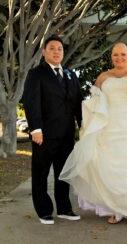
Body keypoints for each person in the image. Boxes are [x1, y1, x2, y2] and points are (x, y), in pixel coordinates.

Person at [60, 42, 127, 226]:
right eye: (116, 55)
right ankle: (116, 210)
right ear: (111, 57)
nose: (119, 58)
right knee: (111, 169)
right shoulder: (103, 76)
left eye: (123, 54)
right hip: (109, 125)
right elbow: (96, 100)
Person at [23, 35, 83, 225]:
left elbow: (78, 103)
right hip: (44, 134)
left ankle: (64, 208)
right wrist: (36, 129)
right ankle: (44, 211)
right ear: (44, 52)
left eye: (60, 49)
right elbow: (31, 103)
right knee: (40, 173)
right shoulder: (36, 74)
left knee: (63, 173)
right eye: (52, 48)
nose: (57, 52)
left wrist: (83, 125)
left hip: (66, 134)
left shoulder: (70, 74)